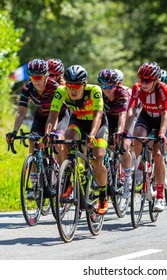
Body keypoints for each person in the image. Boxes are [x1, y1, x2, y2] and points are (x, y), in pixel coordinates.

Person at [45, 65, 109, 215]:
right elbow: (53, 115)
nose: (73, 90)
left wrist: (92, 135)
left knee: (98, 157)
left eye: (77, 86)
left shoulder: (94, 91)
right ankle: (68, 179)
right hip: (78, 121)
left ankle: (103, 195)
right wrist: (49, 132)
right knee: (68, 139)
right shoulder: (61, 91)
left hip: (97, 124)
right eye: (70, 85)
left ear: (84, 85)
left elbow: (98, 116)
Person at [6, 58, 69, 198]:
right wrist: (14, 131)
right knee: (32, 141)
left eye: (39, 77)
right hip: (40, 117)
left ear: (46, 76)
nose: (36, 80)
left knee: (57, 143)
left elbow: (55, 114)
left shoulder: (55, 88)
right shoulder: (27, 88)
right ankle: (34, 185)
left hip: (60, 115)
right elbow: (21, 111)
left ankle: (63, 180)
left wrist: (49, 133)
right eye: (33, 77)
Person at [122, 61, 167, 212]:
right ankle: (140, 165)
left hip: (162, 121)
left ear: (156, 81)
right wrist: (125, 131)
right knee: (137, 135)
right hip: (147, 117)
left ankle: (160, 196)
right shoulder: (137, 88)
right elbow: (131, 109)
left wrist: (162, 133)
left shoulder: (164, 89)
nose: (143, 83)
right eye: (141, 79)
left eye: (147, 80)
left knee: (158, 154)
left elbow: (165, 113)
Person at [97, 68, 132, 198]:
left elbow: (123, 116)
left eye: (110, 86)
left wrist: (120, 133)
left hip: (125, 118)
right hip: (109, 118)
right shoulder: (99, 93)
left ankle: (128, 178)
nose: (106, 89)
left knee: (123, 146)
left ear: (116, 84)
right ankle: (111, 171)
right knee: (108, 143)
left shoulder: (122, 93)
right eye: (103, 85)